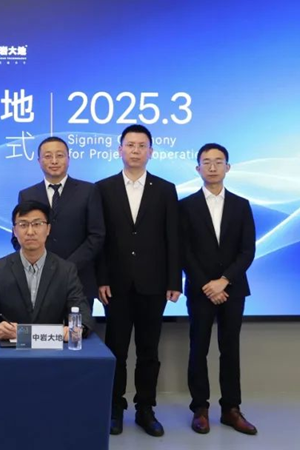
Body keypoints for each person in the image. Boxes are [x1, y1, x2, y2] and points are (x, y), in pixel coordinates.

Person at [96, 124, 180, 437]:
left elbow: (173, 238)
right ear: (119, 150)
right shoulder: (103, 188)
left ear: (151, 152)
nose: (135, 150)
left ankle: (146, 409)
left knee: (149, 352)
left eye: (141, 145)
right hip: (115, 285)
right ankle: (115, 409)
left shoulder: (165, 189)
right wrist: (101, 278)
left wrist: (174, 280)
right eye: (130, 145)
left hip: (153, 284)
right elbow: (99, 239)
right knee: (116, 350)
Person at [180, 143, 257, 435]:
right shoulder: (185, 206)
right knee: (198, 348)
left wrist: (224, 280)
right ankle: (200, 408)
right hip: (200, 290)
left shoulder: (241, 204)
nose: (212, 167)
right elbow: (184, 252)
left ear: (228, 167)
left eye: (218, 161)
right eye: (206, 162)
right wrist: (206, 284)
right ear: (197, 168)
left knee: (230, 349)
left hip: (233, 290)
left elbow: (247, 251)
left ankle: (231, 409)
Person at [0, 200, 94, 339]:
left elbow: (84, 315)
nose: (30, 232)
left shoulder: (66, 270)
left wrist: (75, 330)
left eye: (37, 224)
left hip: (52, 345)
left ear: (48, 229)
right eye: (23, 225)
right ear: (14, 231)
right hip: (12, 346)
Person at [17, 136, 105, 303]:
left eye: (60, 155)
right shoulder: (27, 195)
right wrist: (38, 262)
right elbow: (18, 236)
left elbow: (96, 235)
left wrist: (68, 266)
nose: (54, 161)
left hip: (79, 279)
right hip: (38, 280)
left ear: (68, 159)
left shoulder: (88, 191)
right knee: (41, 322)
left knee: (77, 321)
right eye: (48, 156)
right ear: (39, 161)